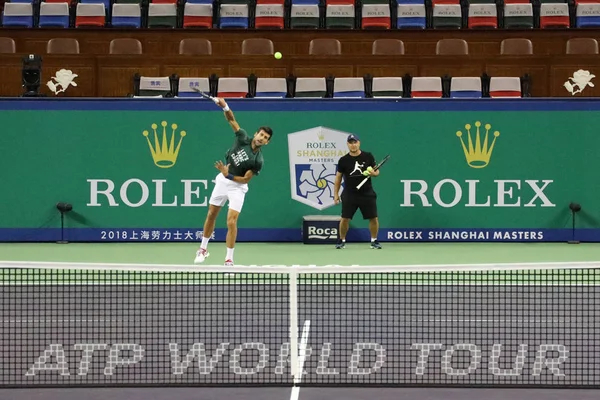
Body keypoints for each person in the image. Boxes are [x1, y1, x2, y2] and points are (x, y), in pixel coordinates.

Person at [194, 97, 273, 266]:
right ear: (256, 133)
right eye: (261, 134)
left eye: (265, 138)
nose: (261, 138)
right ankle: (203, 249)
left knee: (231, 221)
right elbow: (231, 119)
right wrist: (225, 106)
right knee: (211, 214)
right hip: (223, 181)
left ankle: (229, 259)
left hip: (237, 187)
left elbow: (245, 179)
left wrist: (227, 174)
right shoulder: (243, 137)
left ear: (267, 142)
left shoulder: (258, 160)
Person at [333, 134, 381, 250]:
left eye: (355, 142)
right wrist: (336, 195)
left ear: (359, 143)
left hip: (367, 193)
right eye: (350, 143)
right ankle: (342, 240)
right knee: (344, 218)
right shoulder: (343, 160)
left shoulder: (368, 156)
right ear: (347, 144)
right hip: (350, 194)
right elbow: (338, 178)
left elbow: (377, 172)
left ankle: (374, 240)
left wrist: (372, 174)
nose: (353, 145)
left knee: (373, 218)